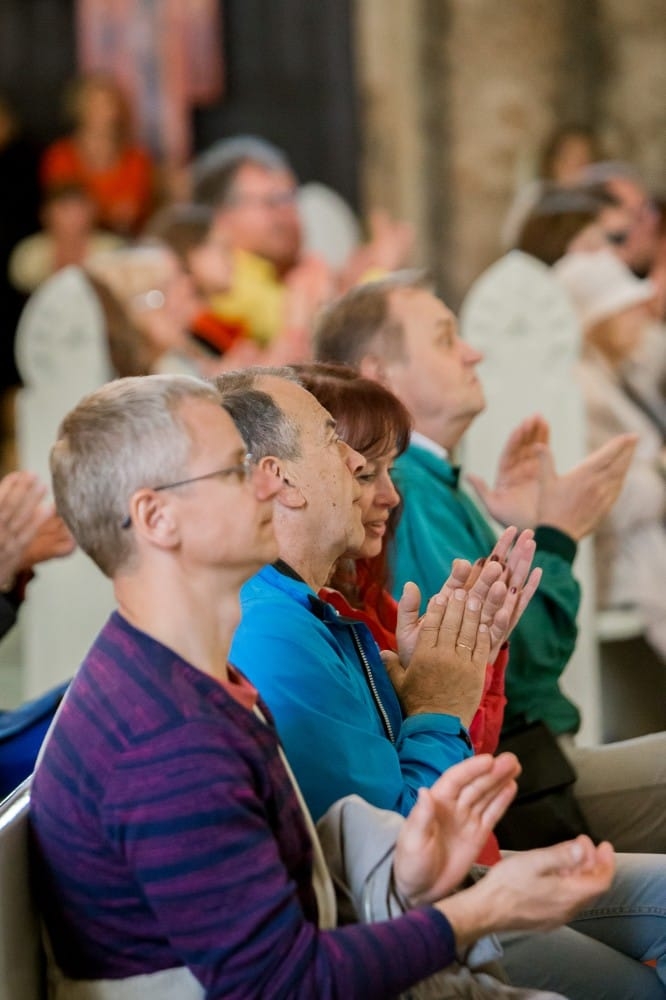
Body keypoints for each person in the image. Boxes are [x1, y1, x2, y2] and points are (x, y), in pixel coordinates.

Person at [28, 373, 614, 999]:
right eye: (234, 470)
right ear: (158, 518)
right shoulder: (166, 741)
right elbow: (282, 984)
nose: (267, 481)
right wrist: (485, 909)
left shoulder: (183, 674)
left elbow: (286, 883)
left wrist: (404, 876)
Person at [219, 365, 666, 998]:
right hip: (415, 918)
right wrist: (437, 707)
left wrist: (465, 670)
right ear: (280, 479)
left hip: (456, 873)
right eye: (332, 441)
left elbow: (436, 788)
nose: (365, 474)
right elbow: (403, 865)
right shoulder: (274, 632)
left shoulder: (315, 610)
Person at [312, 272, 666, 856]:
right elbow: (513, 666)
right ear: (381, 373)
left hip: (506, 765)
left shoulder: (422, 485)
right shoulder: (412, 490)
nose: (474, 351)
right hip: (493, 784)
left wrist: (529, 530)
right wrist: (554, 535)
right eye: (447, 339)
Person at [191, 135, 413, 352]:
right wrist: (380, 271)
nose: (287, 213)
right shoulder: (223, 278)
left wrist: (351, 283)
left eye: (290, 197)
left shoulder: (287, 269)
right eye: (272, 201)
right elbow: (323, 337)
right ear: (221, 216)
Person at [554, 248, 666, 660]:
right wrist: (660, 472)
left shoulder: (619, 370)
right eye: (626, 308)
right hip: (624, 572)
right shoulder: (585, 391)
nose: (641, 315)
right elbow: (603, 496)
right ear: (598, 321)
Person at [41, 73, 156, 237]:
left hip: (125, 241)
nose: (106, 112)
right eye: (96, 105)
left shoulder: (136, 158)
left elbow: (136, 210)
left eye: (109, 104)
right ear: (79, 109)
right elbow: (60, 209)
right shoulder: (60, 156)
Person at [8, 182, 124, 295]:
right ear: (46, 214)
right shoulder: (30, 253)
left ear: (93, 211)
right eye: (65, 209)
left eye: (79, 208)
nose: (73, 218)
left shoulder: (113, 250)